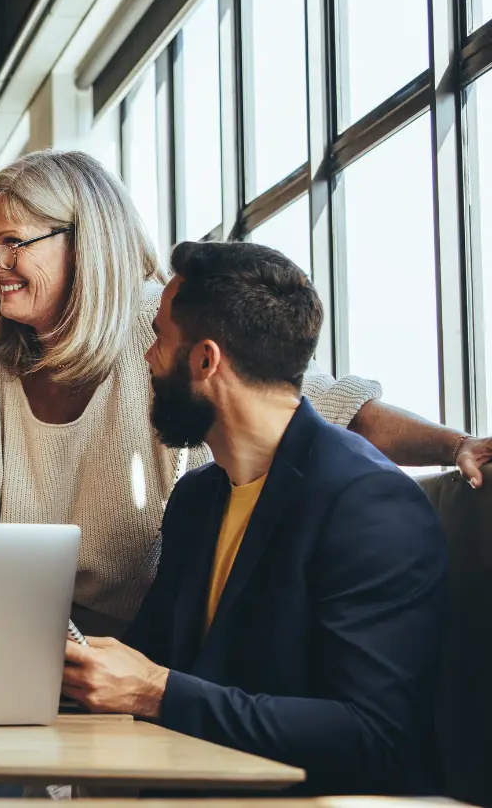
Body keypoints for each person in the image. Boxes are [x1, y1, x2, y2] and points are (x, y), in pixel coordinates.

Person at [0, 149, 488, 637]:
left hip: (147, 642)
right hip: (10, 628)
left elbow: (316, 407)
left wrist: (455, 445)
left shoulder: (164, 327)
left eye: (11, 243)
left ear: (84, 242)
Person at [63, 240, 446, 795]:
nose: (146, 357)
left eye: (159, 340)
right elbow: (150, 660)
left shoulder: (370, 505)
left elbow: (375, 736)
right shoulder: (198, 500)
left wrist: (156, 691)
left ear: (205, 361)